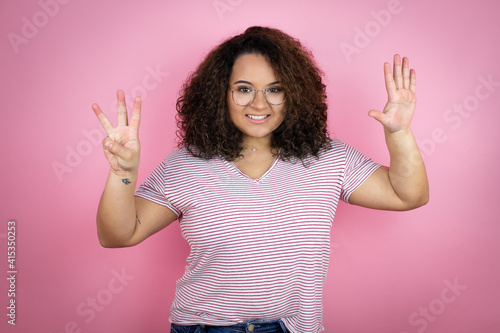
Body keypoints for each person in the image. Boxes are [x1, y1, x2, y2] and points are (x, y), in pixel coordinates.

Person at [92, 26, 428, 333]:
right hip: (205, 328)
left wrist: (399, 133)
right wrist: (123, 173)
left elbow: (407, 195)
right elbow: (119, 235)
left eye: (275, 89)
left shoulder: (329, 157)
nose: (259, 103)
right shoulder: (186, 165)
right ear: (220, 94)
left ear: (294, 93)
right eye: (243, 89)